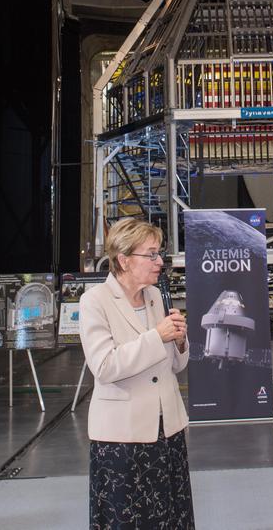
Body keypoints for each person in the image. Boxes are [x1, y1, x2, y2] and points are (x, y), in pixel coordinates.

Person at [80, 218, 193, 529]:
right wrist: (158, 336)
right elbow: (104, 367)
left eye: (159, 254)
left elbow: (174, 366)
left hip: (166, 431)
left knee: (170, 516)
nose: (159, 262)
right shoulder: (95, 302)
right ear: (124, 260)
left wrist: (181, 341)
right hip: (122, 439)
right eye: (151, 254)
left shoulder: (157, 296)